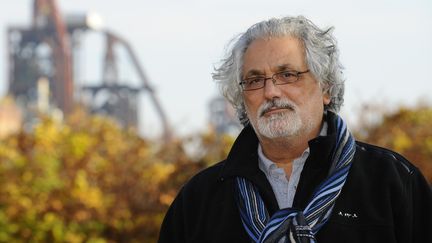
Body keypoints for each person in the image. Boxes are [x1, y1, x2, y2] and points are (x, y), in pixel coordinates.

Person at [158, 16, 432, 243]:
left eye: (287, 75)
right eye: (254, 80)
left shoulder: (393, 182)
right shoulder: (198, 201)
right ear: (241, 97)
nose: (270, 91)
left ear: (326, 87)